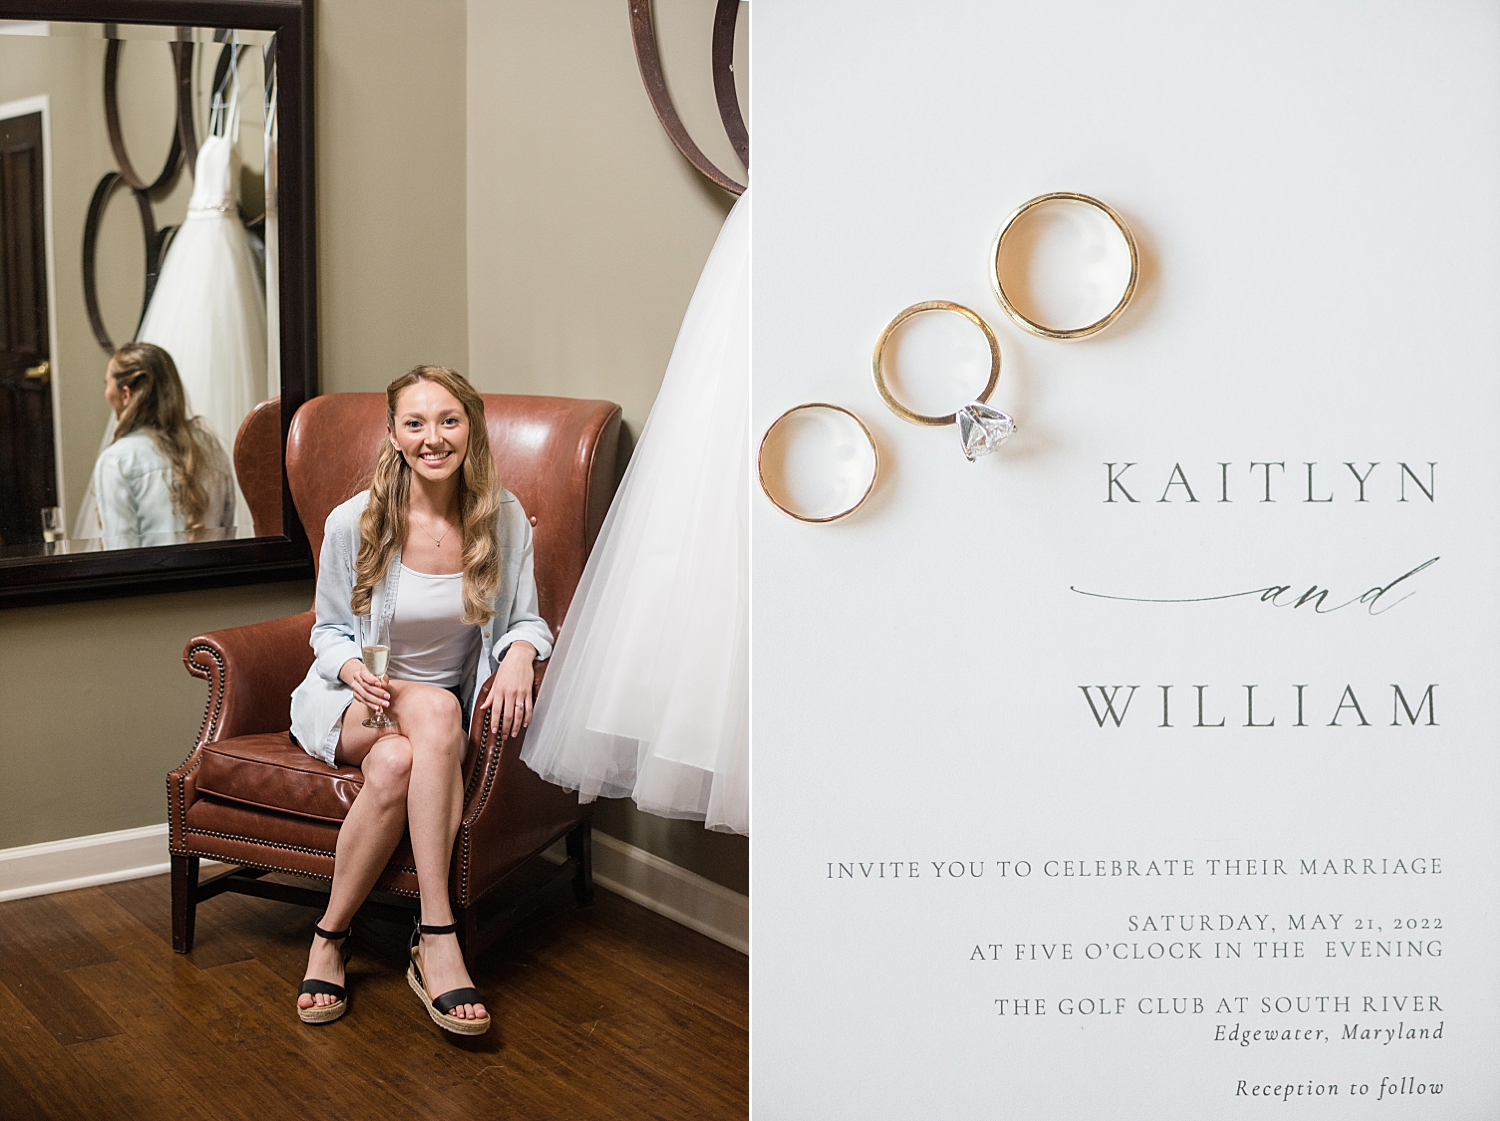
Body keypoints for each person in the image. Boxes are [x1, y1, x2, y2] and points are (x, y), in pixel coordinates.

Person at [287, 366, 553, 1034]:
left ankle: (328, 935)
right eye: (415, 422)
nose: (432, 437)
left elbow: (524, 617)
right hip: (356, 704)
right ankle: (438, 932)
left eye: (448, 420)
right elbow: (326, 630)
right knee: (432, 709)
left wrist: (522, 652)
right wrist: (351, 668)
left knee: (402, 758)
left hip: (423, 732)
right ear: (394, 434)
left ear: (471, 427)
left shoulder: (503, 515)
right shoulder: (356, 521)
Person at [92, 342, 235, 548]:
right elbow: (227, 538)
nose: (106, 392)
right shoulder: (211, 449)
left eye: (106, 383)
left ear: (126, 394)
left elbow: (121, 557)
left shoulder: (117, 461)